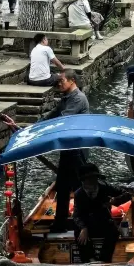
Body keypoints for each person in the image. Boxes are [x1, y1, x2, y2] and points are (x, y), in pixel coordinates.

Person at [44, 70, 90, 232]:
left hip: (77, 149)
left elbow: (63, 119)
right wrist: (36, 127)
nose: (59, 84)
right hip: (67, 148)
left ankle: (81, 222)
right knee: (62, 187)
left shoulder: (77, 99)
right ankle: (60, 223)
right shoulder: (66, 98)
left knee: (78, 187)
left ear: (72, 81)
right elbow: (53, 115)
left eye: (61, 81)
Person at [72, 164, 133, 263]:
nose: (92, 182)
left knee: (114, 231)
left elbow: (127, 194)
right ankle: (90, 259)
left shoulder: (105, 187)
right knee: (78, 233)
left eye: (94, 178)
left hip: (103, 220)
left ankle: (104, 260)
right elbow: (76, 215)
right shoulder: (78, 194)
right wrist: (83, 227)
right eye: (88, 179)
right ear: (83, 181)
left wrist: (114, 201)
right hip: (87, 223)